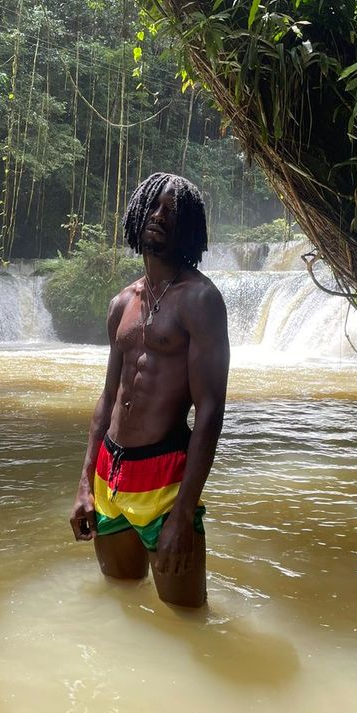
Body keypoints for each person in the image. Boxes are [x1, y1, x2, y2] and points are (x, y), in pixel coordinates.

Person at [69, 172, 229, 608]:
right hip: (110, 477)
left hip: (164, 481)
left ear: (188, 228)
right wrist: (85, 484)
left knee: (187, 617)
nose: (159, 216)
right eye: (153, 205)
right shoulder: (122, 302)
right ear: (136, 214)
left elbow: (210, 412)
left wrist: (182, 513)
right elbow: (107, 399)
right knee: (120, 602)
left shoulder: (200, 300)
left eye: (172, 211)